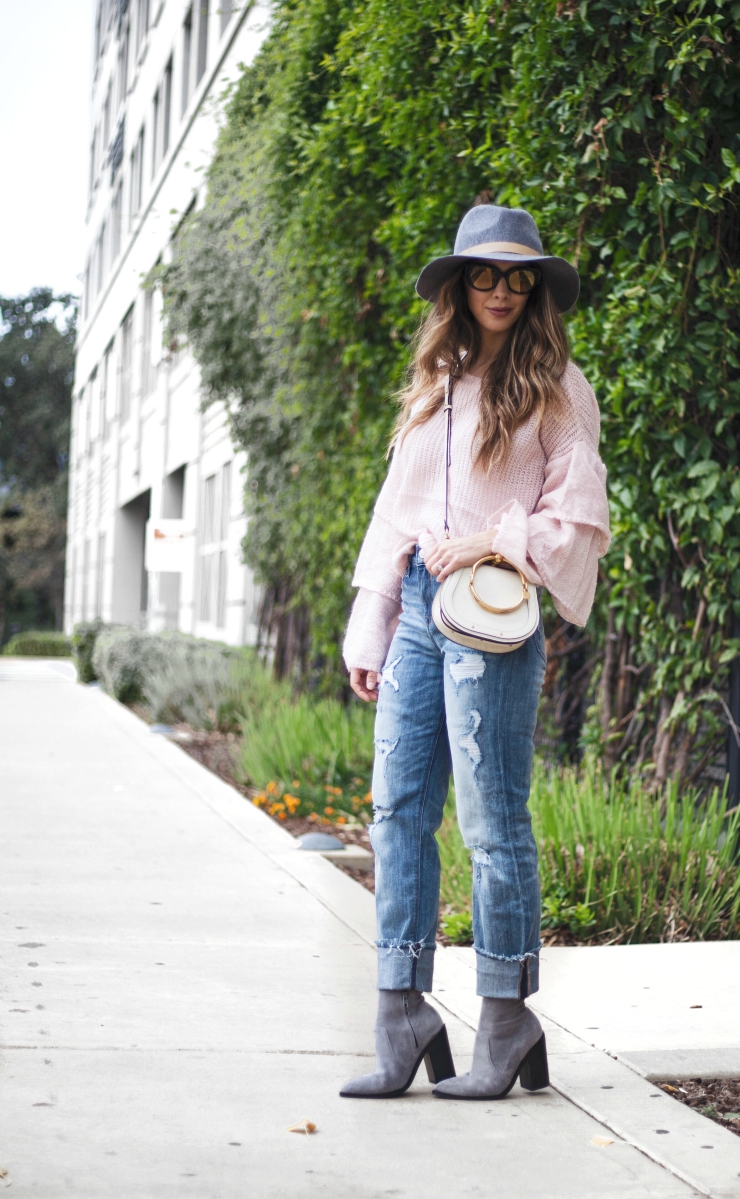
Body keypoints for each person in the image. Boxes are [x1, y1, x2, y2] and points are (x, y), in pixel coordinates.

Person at [339, 204, 610, 1100]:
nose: (501, 289)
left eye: (517, 276)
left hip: (492, 617)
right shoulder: (437, 379)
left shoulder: (557, 385)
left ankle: (505, 1013)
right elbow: (394, 508)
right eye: (485, 275)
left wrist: (494, 541)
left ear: (534, 287)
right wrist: (370, 624)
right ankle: (401, 1012)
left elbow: (579, 517)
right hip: (417, 611)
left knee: (494, 822)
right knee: (397, 808)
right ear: (459, 285)